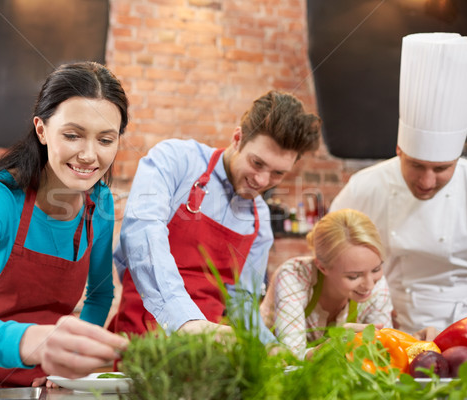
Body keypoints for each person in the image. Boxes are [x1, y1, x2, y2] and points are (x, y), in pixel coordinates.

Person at [0, 62, 130, 389]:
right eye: (72, 135)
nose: (89, 155)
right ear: (42, 130)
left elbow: (100, 295)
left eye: (106, 140)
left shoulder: (101, 203)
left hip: (43, 384)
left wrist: (68, 368)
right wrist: (41, 342)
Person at [110, 90, 322, 344]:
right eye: (257, 163)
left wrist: (273, 350)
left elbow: (242, 306)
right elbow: (141, 238)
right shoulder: (175, 161)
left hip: (207, 353)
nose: (263, 181)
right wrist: (185, 320)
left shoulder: (259, 220)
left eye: (278, 173)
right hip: (141, 340)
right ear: (237, 138)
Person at [329, 33, 467, 335]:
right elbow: (328, 258)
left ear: (459, 156)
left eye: (441, 169)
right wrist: (367, 312)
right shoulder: (365, 187)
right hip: (388, 332)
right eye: (415, 165)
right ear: (399, 150)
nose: (427, 182)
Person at [260, 209, 393, 359]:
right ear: (322, 267)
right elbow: (291, 357)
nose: (369, 285)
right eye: (354, 276)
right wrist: (332, 345)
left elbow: (385, 352)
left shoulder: (377, 284)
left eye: (376, 269)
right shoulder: (294, 276)